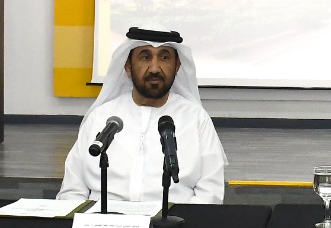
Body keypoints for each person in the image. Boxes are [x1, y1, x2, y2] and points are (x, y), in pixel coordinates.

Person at [58, 27, 226, 204]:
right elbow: (72, 190)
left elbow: (210, 194)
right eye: (145, 57)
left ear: (177, 66)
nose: (154, 68)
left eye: (164, 57)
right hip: (104, 219)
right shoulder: (101, 117)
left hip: (173, 219)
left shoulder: (196, 119)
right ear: (128, 66)